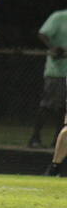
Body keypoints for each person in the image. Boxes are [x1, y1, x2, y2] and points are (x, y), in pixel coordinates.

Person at [28, 9, 67, 148]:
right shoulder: (60, 16)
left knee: (63, 110)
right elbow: (43, 33)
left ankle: (58, 141)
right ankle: (35, 138)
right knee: (48, 105)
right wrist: (54, 48)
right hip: (57, 71)